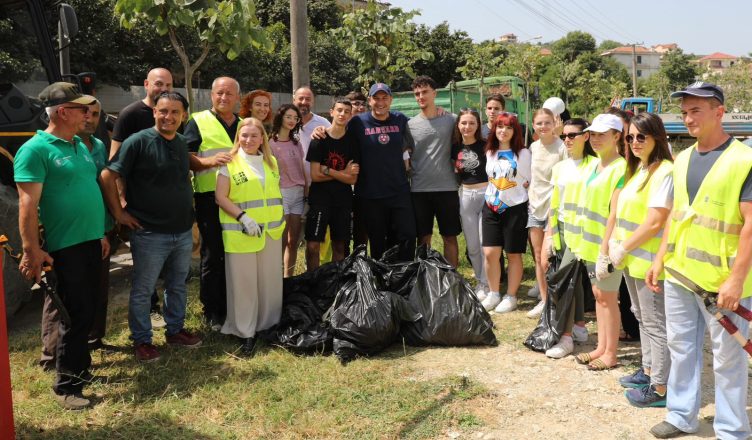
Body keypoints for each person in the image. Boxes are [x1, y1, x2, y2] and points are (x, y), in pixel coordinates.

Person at [646, 82, 752, 440]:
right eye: (685, 111)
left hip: (724, 281)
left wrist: (736, 280)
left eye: (696, 111)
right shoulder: (684, 158)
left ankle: (732, 429)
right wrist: (660, 257)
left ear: (719, 112)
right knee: (681, 347)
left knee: (727, 358)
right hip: (681, 275)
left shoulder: (743, 160)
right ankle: (680, 416)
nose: (688, 118)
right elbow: (678, 214)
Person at [14, 83, 105, 409]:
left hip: (91, 241)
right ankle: (66, 386)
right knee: (74, 314)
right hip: (65, 247)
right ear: (63, 112)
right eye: (82, 109)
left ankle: (80, 369)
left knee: (87, 310)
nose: (88, 115)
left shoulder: (79, 145)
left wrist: (102, 233)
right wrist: (31, 249)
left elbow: (86, 190)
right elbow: (27, 205)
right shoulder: (35, 150)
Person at [101, 91, 202, 363]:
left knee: (177, 284)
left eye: (174, 112)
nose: (168, 117)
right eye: (163, 111)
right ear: (155, 112)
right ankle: (142, 340)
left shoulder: (181, 142)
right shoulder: (137, 142)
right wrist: (118, 213)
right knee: (144, 290)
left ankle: (175, 330)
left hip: (181, 229)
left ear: (183, 117)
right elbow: (107, 175)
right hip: (149, 232)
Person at [606, 112, 673, 407]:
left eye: (641, 136)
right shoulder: (642, 169)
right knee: (642, 317)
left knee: (655, 323)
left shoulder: (665, 171)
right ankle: (648, 371)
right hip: (633, 259)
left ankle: (660, 387)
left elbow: (656, 221)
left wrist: (623, 248)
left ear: (656, 137)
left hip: (649, 262)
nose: (634, 142)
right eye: (630, 137)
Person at [109, 67, 173, 329]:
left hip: (168, 205)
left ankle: (172, 314)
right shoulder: (131, 115)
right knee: (146, 263)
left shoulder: (175, 112)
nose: (163, 89)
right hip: (140, 204)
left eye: (168, 84)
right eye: (158, 83)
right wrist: (122, 203)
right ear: (146, 84)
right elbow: (114, 163)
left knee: (169, 263)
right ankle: (150, 309)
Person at [215, 117, 285, 355]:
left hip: (271, 232)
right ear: (238, 138)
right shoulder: (230, 162)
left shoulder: (271, 162)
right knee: (244, 284)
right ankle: (246, 331)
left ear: (262, 139)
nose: (248, 140)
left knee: (270, 282)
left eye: (254, 136)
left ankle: (268, 326)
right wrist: (243, 217)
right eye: (244, 135)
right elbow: (221, 197)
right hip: (242, 233)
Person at [571, 113, 626, 371]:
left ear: (617, 136)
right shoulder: (595, 164)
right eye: (592, 134)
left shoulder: (621, 167)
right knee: (598, 296)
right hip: (591, 245)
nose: (595, 139)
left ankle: (611, 353)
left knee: (607, 297)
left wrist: (605, 250)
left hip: (605, 246)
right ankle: (601, 347)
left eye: (602, 134)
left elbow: (614, 212)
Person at [183, 77, 237, 329]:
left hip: (239, 200)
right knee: (213, 255)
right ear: (211, 95)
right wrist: (210, 162)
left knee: (235, 254)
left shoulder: (243, 124)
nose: (223, 98)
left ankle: (234, 304)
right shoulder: (198, 121)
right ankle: (212, 309)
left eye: (229, 94)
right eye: (219, 93)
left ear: (237, 97)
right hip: (209, 198)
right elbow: (187, 157)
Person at [541, 118, 596, 358]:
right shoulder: (560, 168)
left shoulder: (596, 166)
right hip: (562, 231)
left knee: (566, 282)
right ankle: (579, 325)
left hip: (584, 232)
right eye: (564, 136)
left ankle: (565, 338)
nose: (567, 140)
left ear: (586, 136)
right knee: (570, 279)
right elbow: (555, 203)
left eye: (572, 135)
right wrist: (550, 234)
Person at [349, 83, 416, 261]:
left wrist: (441, 111)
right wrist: (321, 130)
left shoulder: (400, 119)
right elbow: (338, 133)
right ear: (369, 100)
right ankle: (381, 281)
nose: (380, 102)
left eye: (384, 98)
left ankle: (404, 278)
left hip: (398, 190)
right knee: (377, 241)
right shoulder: (358, 122)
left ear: (391, 100)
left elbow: (422, 125)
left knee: (407, 236)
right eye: (376, 98)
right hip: (370, 193)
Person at [480, 112, 531, 313]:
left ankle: (511, 296)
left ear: (515, 131)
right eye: (500, 127)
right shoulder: (489, 152)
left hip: (515, 207)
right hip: (491, 206)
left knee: (514, 254)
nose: (503, 131)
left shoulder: (524, 154)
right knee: (490, 252)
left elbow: (529, 180)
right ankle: (494, 293)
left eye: (509, 127)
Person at [408, 75, 461, 266]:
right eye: (417, 94)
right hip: (419, 190)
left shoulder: (452, 120)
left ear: (434, 93)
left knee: (450, 237)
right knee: (423, 239)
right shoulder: (409, 125)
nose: (420, 96)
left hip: (447, 188)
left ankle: (452, 279)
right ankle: (424, 278)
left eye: (424, 92)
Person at [305, 98, 359, 270]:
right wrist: (343, 174)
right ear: (332, 112)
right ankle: (311, 282)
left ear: (350, 115)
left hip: (342, 201)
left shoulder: (353, 142)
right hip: (319, 199)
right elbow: (315, 175)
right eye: (340, 110)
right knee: (313, 246)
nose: (342, 114)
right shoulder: (318, 139)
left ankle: (335, 285)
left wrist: (327, 170)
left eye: (347, 111)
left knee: (339, 246)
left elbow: (352, 179)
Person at [526, 108, 567, 319]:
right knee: (537, 255)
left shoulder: (562, 147)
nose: (543, 127)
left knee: (550, 258)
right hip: (534, 206)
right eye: (539, 123)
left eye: (547, 122)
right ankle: (543, 300)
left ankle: (557, 301)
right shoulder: (532, 147)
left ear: (555, 123)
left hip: (555, 208)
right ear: (534, 125)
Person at [452, 108, 489, 298]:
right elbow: (455, 170)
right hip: (466, 196)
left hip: (485, 195)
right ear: (458, 125)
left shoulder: (486, 145)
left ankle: (487, 283)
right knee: (472, 245)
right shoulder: (455, 148)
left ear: (478, 125)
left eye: (472, 123)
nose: (467, 127)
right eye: (463, 123)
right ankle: (481, 281)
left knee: (485, 244)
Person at [269, 104, 307, 277]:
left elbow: (302, 168)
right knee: (282, 240)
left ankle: (288, 278)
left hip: (299, 194)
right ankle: (276, 279)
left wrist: (307, 191)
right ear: (281, 117)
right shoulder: (270, 143)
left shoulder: (296, 143)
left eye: (295, 118)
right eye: (288, 117)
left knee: (294, 241)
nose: (292, 121)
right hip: (281, 194)